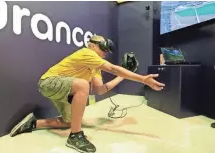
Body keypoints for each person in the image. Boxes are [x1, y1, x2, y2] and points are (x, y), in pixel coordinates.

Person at [9, 35, 165, 153]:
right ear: (92, 45)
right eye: (103, 47)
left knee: (69, 121)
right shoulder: (87, 53)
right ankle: (75, 136)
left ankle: (33, 123)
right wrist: (143, 79)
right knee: (83, 85)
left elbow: (100, 89)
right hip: (48, 82)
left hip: (64, 89)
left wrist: (123, 76)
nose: (105, 52)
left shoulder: (95, 67)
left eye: (107, 50)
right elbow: (112, 68)